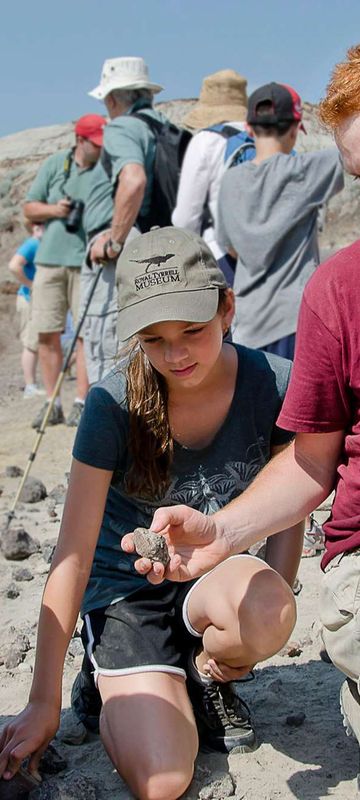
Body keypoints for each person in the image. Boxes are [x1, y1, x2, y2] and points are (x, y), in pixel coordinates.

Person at [0, 228, 303, 800]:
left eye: (192, 330)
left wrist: (273, 609)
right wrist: (43, 701)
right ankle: (106, 679)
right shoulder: (112, 404)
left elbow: (289, 504)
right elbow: (72, 554)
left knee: (269, 609)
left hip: (213, 574)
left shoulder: (273, 383)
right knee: (164, 781)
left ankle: (206, 674)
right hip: (125, 595)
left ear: (227, 308)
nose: (177, 353)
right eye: (155, 338)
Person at [131, 46, 360, 763]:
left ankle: (250, 598)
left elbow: (211, 238)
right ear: (299, 127)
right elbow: (312, 462)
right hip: (288, 330)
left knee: (264, 458)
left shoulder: (229, 181)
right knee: (282, 451)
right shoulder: (312, 187)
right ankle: (262, 596)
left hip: (244, 327)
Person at [216, 81, 344, 360]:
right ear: (295, 130)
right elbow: (350, 155)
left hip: (248, 323)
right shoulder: (305, 171)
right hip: (296, 319)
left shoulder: (230, 181)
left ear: (249, 128)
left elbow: (230, 248)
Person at [81, 56, 165, 385]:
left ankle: (112, 428)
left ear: (113, 98)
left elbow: (132, 179)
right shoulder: (164, 126)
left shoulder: (121, 128)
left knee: (108, 344)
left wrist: (113, 241)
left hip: (119, 252)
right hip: (155, 245)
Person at [23, 113, 106, 428]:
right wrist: (55, 210)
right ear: (80, 140)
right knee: (47, 332)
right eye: (95, 143)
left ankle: (81, 401)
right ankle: (51, 401)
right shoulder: (56, 165)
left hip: (87, 263)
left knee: (86, 335)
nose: (100, 148)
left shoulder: (106, 168)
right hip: (49, 261)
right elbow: (30, 207)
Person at [172, 69, 248, 285]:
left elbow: (186, 217)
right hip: (270, 260)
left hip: (222, 257)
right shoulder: (265, 136)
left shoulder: (206, 141)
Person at [8, 222, 45, 398]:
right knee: (30, 343)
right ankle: (30, 386)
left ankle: (33, 383)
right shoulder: (33, 243)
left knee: (35, 341)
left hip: (34, 300)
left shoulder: (40, 244)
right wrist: (30, 285)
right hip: (28, 299)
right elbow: (14, 266)